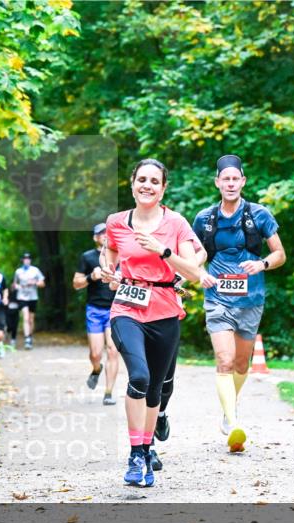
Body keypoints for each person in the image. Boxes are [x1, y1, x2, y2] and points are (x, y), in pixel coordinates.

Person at [100, 159, 207, 487]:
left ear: (163, 188)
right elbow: (111, 253)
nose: (147, 185)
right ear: (132, 183)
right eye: (141, 179)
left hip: (164, 311)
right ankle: (135, 454)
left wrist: (163, 251)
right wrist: (109, 271)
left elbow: (194, 271)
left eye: (154, 181)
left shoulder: (175, 223)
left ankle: (146, 450)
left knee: (155, 390)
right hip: (127, 309)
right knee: (140, 377)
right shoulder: (116, 222)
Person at [191, 154, 285, 453]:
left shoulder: (259, 214)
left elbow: (280, 254)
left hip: (251, 299)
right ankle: (233, 423)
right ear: (217, 182)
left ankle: (228, 408)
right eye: (225, 179)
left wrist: (262, 264)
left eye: (235, 178)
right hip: (217, 298)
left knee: (242, 363)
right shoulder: (205, 219)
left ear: (243, 182)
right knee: (225, 360)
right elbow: (194, 254)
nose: (230, 183)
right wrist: (199, 273)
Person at [73, 222, 120, 406]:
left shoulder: (121, 256)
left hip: (116, 309)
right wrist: (91, 277)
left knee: (113, 351)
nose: (105, 235)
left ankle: (108, 393)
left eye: (108, 233)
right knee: (95, 353)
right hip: (95, 310)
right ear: (95, 237)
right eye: (101, 233)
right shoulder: (87, 257)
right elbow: (76, 283)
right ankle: (96, 368)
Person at [12, 252, 45, 350]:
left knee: (31, 319)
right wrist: (17, 286)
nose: (27, 260)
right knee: (25, 317)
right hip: (22, 297)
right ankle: (27, 339)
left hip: (33, 297)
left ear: (30, 260)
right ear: (22, 260)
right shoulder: (18, 271)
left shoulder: (35, 270)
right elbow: (14, 284)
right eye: (25, 259)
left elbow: (42, 283)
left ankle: (30, 336)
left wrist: (35, 282)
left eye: (28, 259)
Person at [5, 283, 21, 347]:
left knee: (15, 326)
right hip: (8, 312)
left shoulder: (18, 292)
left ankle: (13, 339)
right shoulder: (7, 292)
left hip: (16, 312)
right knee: (9, 325)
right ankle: (8, 332)